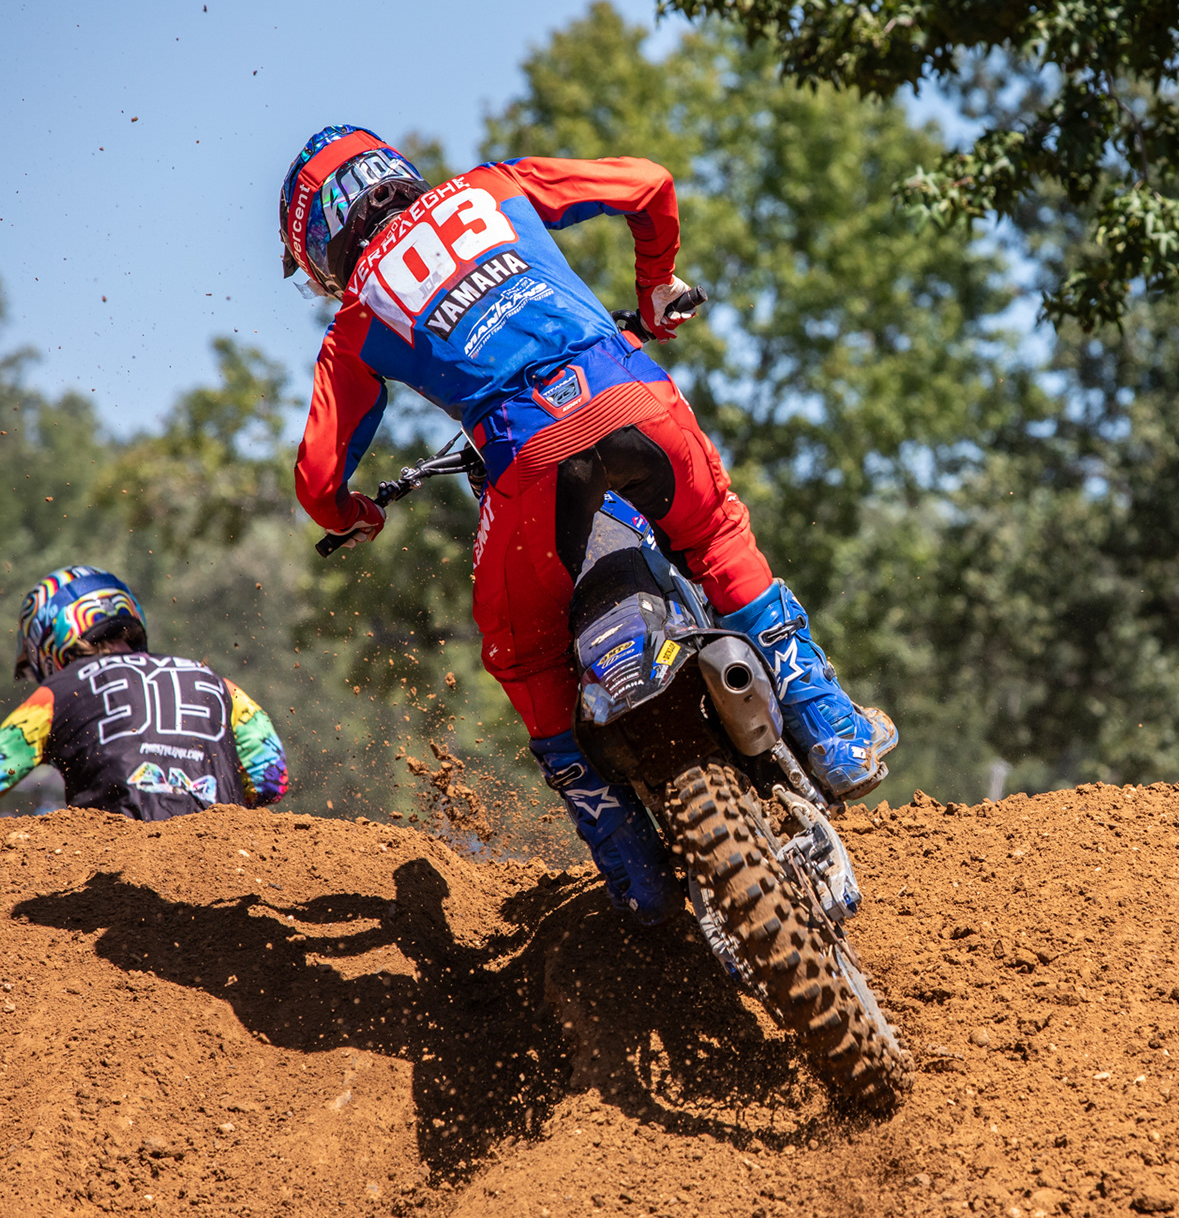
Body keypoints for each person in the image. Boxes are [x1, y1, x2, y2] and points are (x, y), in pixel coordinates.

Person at [278, 126, 895, 924]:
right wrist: (656, 288)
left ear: (322, 242)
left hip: (528, 454)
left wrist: (355, 514)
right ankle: (833, 731)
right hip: (633, 396)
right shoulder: (493, 187)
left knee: (522, 652)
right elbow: (647, 182)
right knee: (713, 537)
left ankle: (630, 862)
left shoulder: (359, 314)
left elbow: (317, 480)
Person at [0, 567, 289, 819]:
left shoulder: (56, 693)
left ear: (47, 642)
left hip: (111, 854)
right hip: (219, 851)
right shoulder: (217, 682)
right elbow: (272, 779)